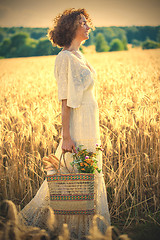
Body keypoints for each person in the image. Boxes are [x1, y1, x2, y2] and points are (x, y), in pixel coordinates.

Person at [19, 8, 110, 239]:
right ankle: (62, 228)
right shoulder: (65, 57)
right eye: (83, 23)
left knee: (88, 175)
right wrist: (66, 136)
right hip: (78, 125)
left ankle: (87, 228)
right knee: (74, 176)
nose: (88, 26)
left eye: (87, 22)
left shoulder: (80, 56)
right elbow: (65, 101)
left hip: (90, 122)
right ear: (71, 27)